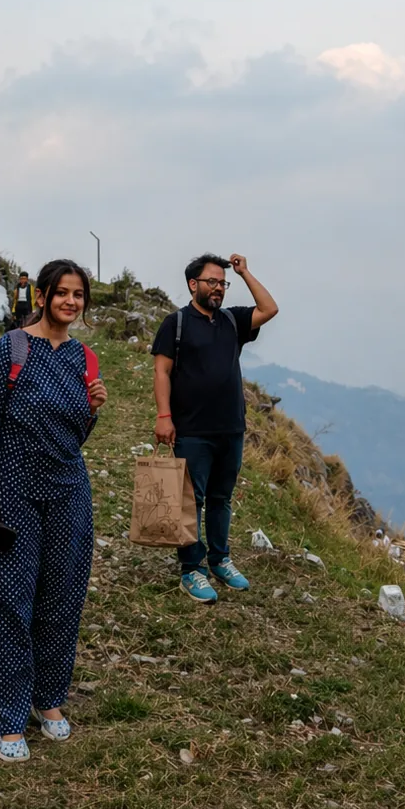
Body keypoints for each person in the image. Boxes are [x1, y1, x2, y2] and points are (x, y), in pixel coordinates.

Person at [0, 259, 108, 764]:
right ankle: (7, 715)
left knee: (61, 598)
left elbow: (72, 436)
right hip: (10, 487)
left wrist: (92, 410)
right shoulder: (12, 349)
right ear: (41, 296)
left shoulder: (85, 360)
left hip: (67, 491)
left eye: (78, 295)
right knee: (5, 599)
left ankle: (48, 699)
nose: (70, 301)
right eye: (61, 293)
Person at [151, 253, 278, 604]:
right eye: (212, 282)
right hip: (191, 429)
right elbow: (161, 371)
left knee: (222, 500)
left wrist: (245, 272)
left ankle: (220, 559)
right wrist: (164, 417)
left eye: (223, 283)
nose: (218, 288)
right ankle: (192, 568)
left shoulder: (233, 321)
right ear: (193, 285)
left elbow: (269, 309)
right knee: (191, 500)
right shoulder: (175, 323)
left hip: (231, 428)